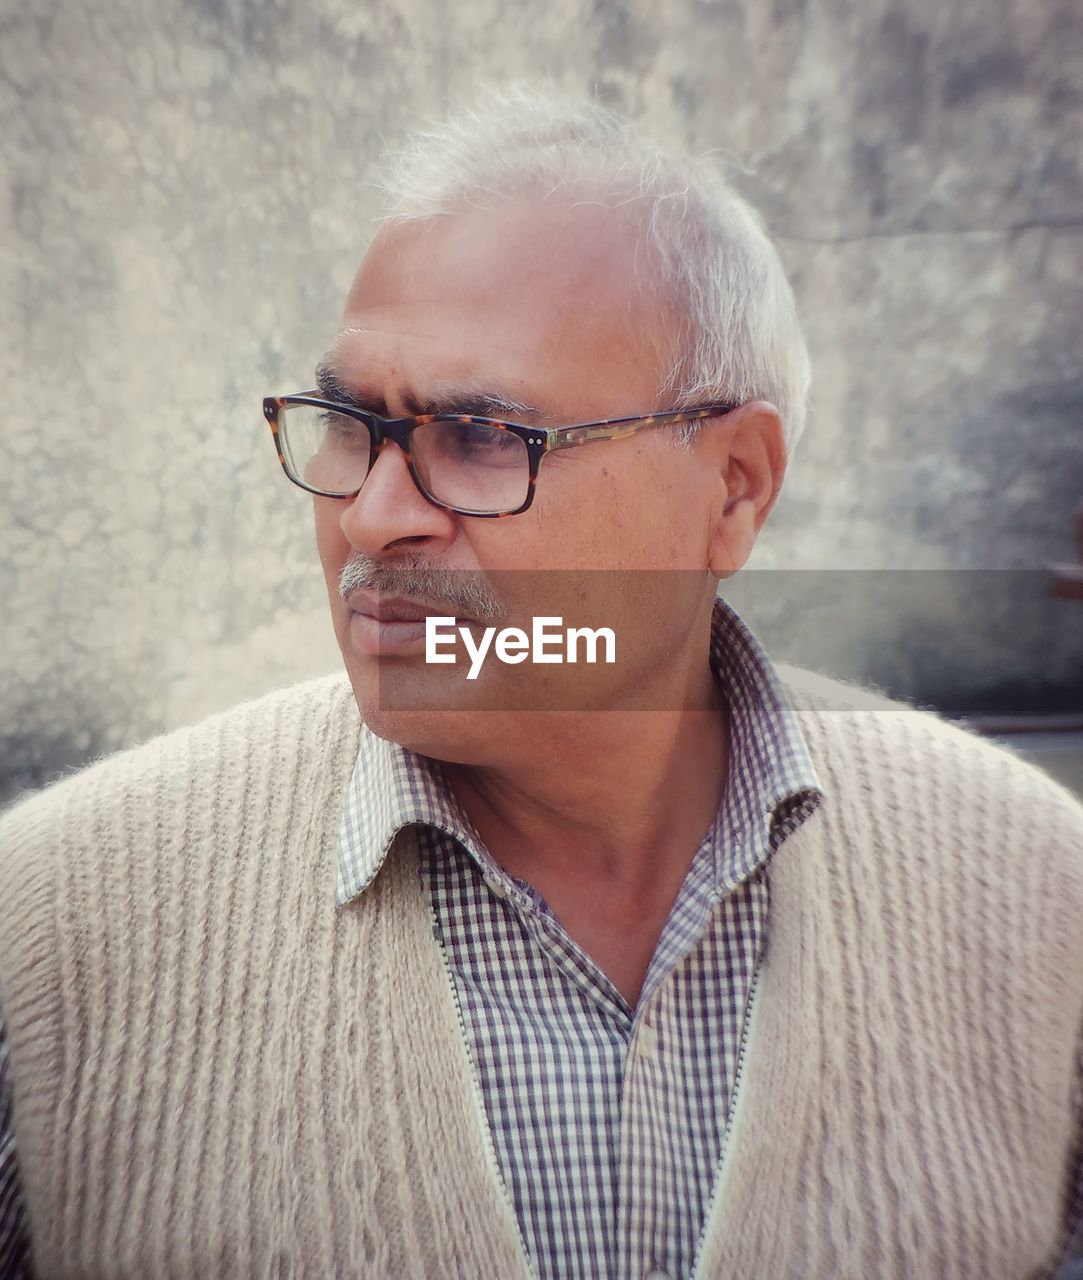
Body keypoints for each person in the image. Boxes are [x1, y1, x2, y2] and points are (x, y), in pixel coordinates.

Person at [0, 86, 1080, 1280]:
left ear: (734, 487)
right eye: (350, 423)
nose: (371, 513)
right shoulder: (56, 927)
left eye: (478, 435)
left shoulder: (1027, 886)